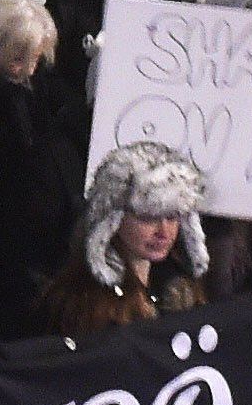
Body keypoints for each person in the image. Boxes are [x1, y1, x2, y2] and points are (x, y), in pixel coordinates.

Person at [35, 143, 208, 335]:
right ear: (111, 220)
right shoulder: (82, 304)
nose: (164, 231)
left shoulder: (182, 288)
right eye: (148, 217)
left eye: (172, 216)